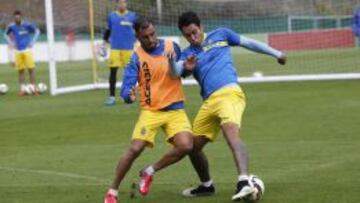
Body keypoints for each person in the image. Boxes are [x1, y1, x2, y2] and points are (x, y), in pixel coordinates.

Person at [168, 11, 287, 201]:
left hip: (229, 93)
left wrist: (277, 53)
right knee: (191, 147)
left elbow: (249, 43)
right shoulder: (188, 54)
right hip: (209, 102)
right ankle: (206, 186)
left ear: (201, 27)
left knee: (231, 134)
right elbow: (175, 73)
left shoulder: (221, 34)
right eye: (187, 35)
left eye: (194, 32)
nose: (193, 37)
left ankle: (244, 182)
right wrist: (172, 62)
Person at [103, 17, 194, 203]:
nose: (151, 39)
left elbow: (181, 71)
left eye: (153, 34)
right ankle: (112, 191)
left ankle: (149, 171)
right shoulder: (136, 57)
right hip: (151, 111)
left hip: (175, 108)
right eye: (146, 37)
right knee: (135, 148)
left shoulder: (172, 47)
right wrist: (129, 95)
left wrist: (188, 69)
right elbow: (126, 90)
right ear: (137, 37)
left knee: (186, 145)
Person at [103, 0, 137, 106]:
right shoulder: (111, 16)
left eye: (124, 2)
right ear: (117, 4)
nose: (122, 4)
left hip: (129, 49)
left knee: (130, 74)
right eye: (120, 3)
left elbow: (138, 30)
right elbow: (108, 30)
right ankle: (111, 97)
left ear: (126, 4)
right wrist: (104, 42)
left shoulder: (133, 16)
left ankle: (129, 96)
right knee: (113, 72)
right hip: (115, 48)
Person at [4, 10, 40, 96]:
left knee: (31, 69)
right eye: (15, 17)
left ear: (21, 17)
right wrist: (12, 43)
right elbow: (5, 34)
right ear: (14, 18)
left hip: (27, 50)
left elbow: (37, 31)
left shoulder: (27, 25)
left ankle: (33, 88)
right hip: (18, 51)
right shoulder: (11, 26)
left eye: (18, 17)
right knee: (20, 71)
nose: (17, 19)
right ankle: (22, 89)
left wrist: (32, 43)